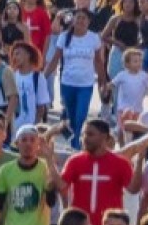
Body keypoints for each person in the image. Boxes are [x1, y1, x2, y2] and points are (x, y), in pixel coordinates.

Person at [46, 119, 133, 225]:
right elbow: (62, 186)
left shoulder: (120, 163)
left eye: (90, 134)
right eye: (83, 134)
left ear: (104, 137)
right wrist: (49, 159)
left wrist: (140, 161)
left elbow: (133, 189)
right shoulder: (75, 161)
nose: (85, 138)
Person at [45, 9, 105, 148]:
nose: (81, 21)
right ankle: (73, 141)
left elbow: (98, 61)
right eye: (78, 18)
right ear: (73, 20)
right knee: (71, 118)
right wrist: (43, 77)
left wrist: (103, 80)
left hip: (86, 83)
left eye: (84, 18)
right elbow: (55, 59)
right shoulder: (64, 36)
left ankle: (78, 145)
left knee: (81, 116)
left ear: (89, 21)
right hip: (67, 82)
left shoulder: (93, 38)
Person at [0, 124, 55, 225]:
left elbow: (51, 202)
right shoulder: (5, 170)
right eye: (24, 140)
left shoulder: (45, 169)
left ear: (38, 144)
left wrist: (50, 159)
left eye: (32, 140)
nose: (28, 144)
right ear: (17, 143)